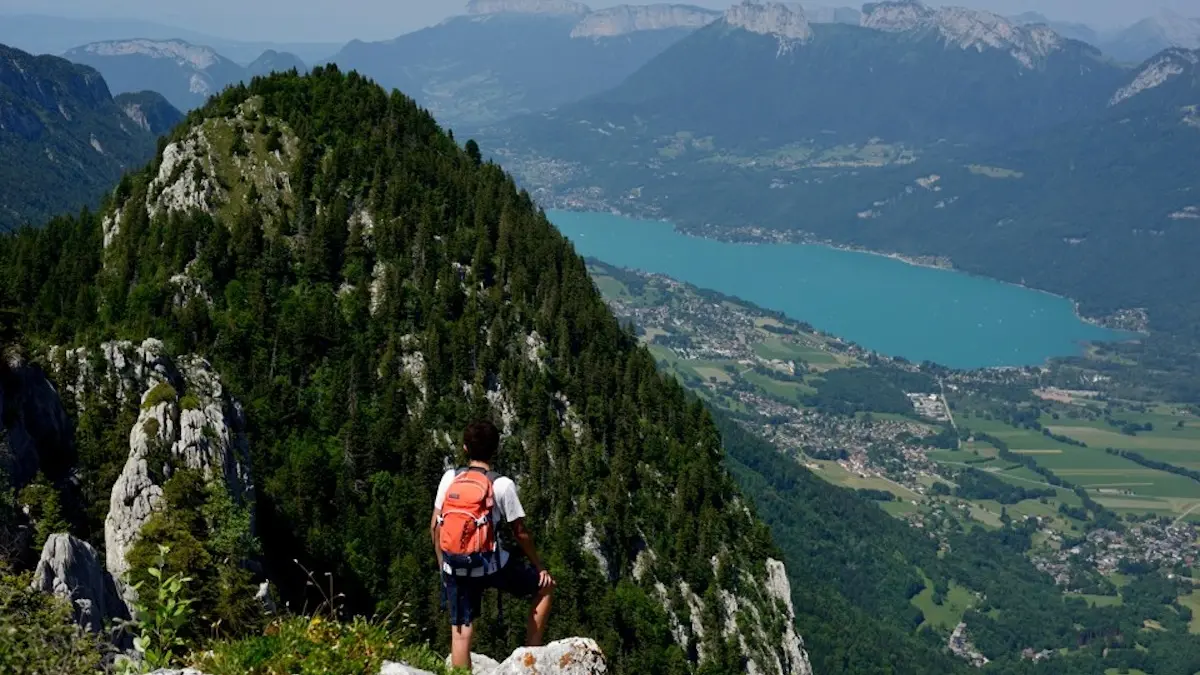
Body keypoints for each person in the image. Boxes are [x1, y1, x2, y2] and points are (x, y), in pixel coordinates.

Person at [431, 420, 555, 669]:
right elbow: (520, 533)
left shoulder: (449, 478)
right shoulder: (502, 485)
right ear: (495, 450)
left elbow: (435, 525)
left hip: (455, 566)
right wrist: (539, 567)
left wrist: (444, 566)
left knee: (461, 634)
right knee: (545, 588)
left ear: (465, 448)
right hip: (492, 565)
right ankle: (528, 662)